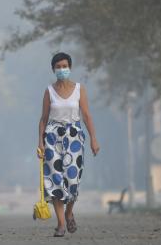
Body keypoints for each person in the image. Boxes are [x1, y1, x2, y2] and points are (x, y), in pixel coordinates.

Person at [37, 52, 100, 237]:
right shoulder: (49, 91)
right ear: (53, 69)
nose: (62, 69)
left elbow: (87, 115)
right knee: (55, 179)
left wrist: (93, 138)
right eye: (58, 67)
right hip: (52, 138)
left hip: (74, 138)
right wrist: (40, 142)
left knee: (73, 180)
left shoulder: (80, 89)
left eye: (64, 66)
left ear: (70, 68)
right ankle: (61, 224)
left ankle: (69, 211)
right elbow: (43, 119)